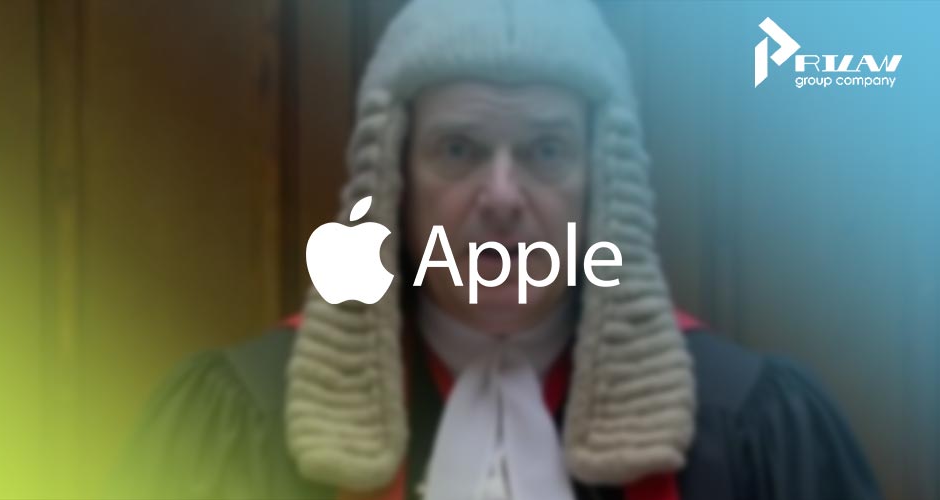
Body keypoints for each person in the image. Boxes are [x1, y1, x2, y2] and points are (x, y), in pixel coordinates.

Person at [110, 1, 883, 499]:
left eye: (546, 151)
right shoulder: (243, 419)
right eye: (459, 149)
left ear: (604, 184)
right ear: (393, 182)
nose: (504, 197)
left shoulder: (750, 428)